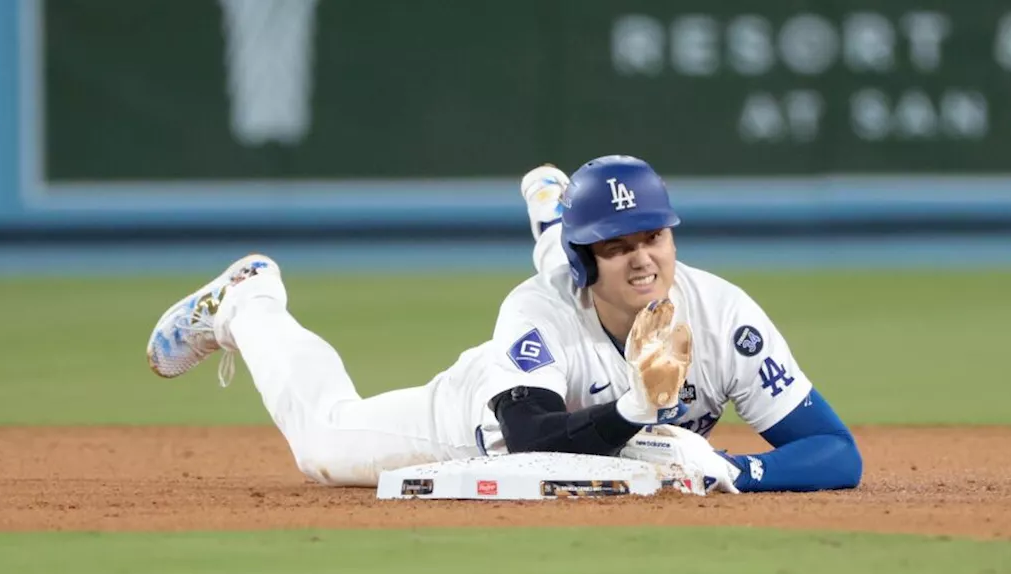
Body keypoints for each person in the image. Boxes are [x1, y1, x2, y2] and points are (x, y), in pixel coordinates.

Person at [145, 155, 862, 493]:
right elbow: (528, 444)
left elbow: (837, 452)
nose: (643, 258)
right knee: (323, 445)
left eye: (655, 237)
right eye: (618, 245)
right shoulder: (536, 312)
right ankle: (249, 301)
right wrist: (637, 406)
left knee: (581, 268)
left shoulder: (724, 313)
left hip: (580, 326)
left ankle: (555, 210)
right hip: (474, 419)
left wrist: (738, 469)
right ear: (591, 257)